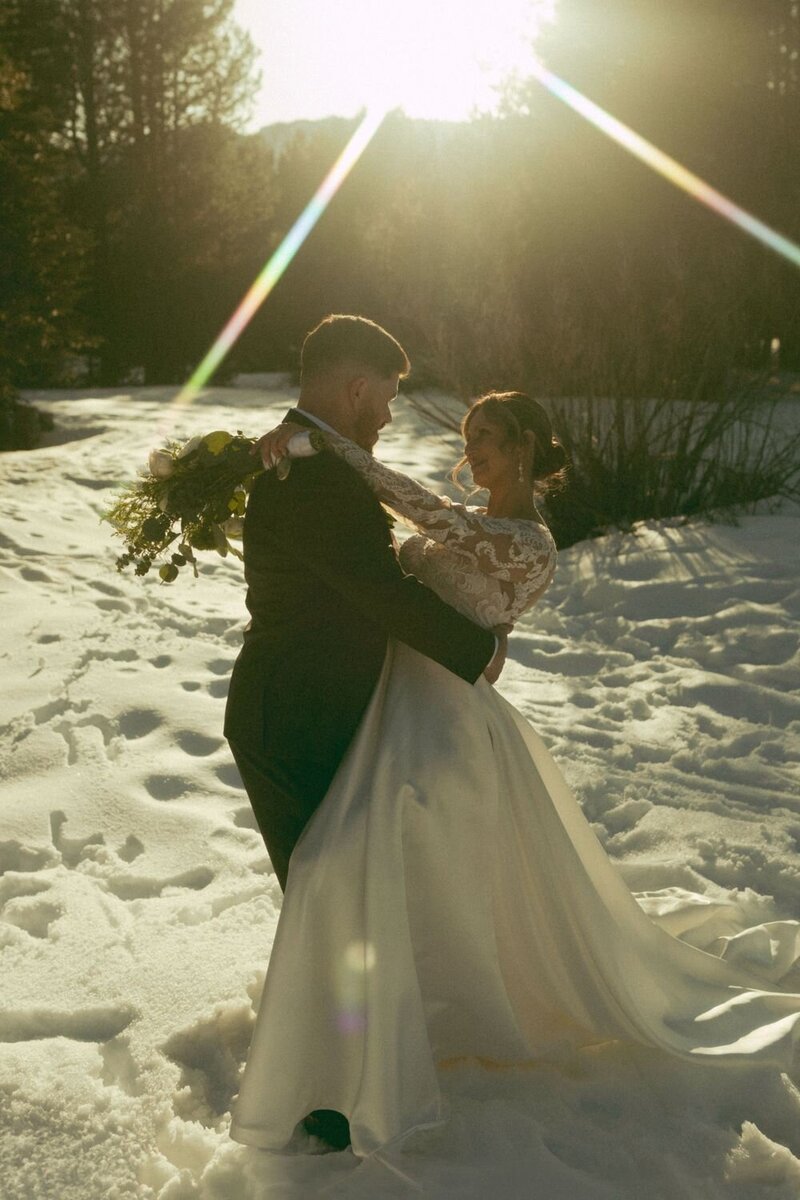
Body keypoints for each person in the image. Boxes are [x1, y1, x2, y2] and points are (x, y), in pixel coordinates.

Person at [228, 380, 800, 1160]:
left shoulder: (526, 542)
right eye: (468, 437)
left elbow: (424, 514)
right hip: (390, 701)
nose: (474, 452)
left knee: (388, 841)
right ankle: (382, 1018)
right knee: (374, 857)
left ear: (525, 445)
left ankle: (422, 1019)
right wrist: (288, 461)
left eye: (488, 436)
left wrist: (322, 440)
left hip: (441, 717)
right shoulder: (482, 524)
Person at [223, 313, 505, 1148]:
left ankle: (338, 1078)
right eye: (382, 399)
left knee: (330, 899)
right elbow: (374, 588)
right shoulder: (312, 475)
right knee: (327, 901)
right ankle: (326, 1097)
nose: (385, 417)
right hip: (295, 713)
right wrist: (476, 648)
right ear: (354, 389)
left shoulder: (309, 455)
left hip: (307, 703)